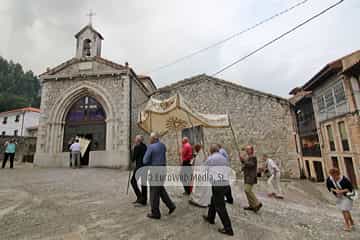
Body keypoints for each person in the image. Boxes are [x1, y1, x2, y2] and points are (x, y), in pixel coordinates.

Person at [203, 144, 234, 236]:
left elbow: (205, 170)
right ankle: (210, 217)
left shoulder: (210, 158)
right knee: (214, 199)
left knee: (220, 207)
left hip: (217, 184)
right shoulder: (224, 158)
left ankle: (228, 229)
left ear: (211, 151)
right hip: (225, 182)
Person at [143, 132, 176, 219]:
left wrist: (151, 161)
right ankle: (171, 206)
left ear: (154, 139)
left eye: (150, 138)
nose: (149, 140)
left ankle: (155, 213)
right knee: (160, 189)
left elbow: (145, 161)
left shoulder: (151, 147)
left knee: (154, 192)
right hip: (163, 169)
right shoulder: (162, 145)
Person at [239, 145, 262, 213]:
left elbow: (251, 164)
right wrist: (242, 161)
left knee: (247, 190)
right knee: (247, 191)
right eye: (246, 149)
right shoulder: (248, 157)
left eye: (248, 149)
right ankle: (252, 206)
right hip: (247, 176)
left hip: (251, 177)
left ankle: (257, 203)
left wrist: (243, 160)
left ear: (252, 150)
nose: (247, 150)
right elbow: (246, 165)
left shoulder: (253, 157)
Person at [130, 135, 148, 206]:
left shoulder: (137, 147)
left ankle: (140, 197)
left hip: (139, 167)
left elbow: (133, 159)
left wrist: (132, 150)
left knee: (133, 181)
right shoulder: (145, 146)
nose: (134, 140)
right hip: (145, 167)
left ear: (138, 140)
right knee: (144, 183)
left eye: (135, 139)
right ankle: (144, 200)